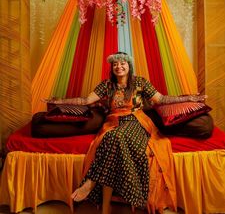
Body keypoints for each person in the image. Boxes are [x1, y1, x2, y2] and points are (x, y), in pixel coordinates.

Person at [46, 52, 207, 214]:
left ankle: (91, 183)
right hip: (113, 121)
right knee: (113, 139)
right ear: (112, 68)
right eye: (115, 64)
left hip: (136, 121)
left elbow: (162, 99)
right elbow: (86, 101)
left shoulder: (140, 82)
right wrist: (58, 102)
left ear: (129, 66)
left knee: (113, 137)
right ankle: (105, 207)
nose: (119, 66)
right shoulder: (106, 85)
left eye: (123, 63)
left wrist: (189, 99)